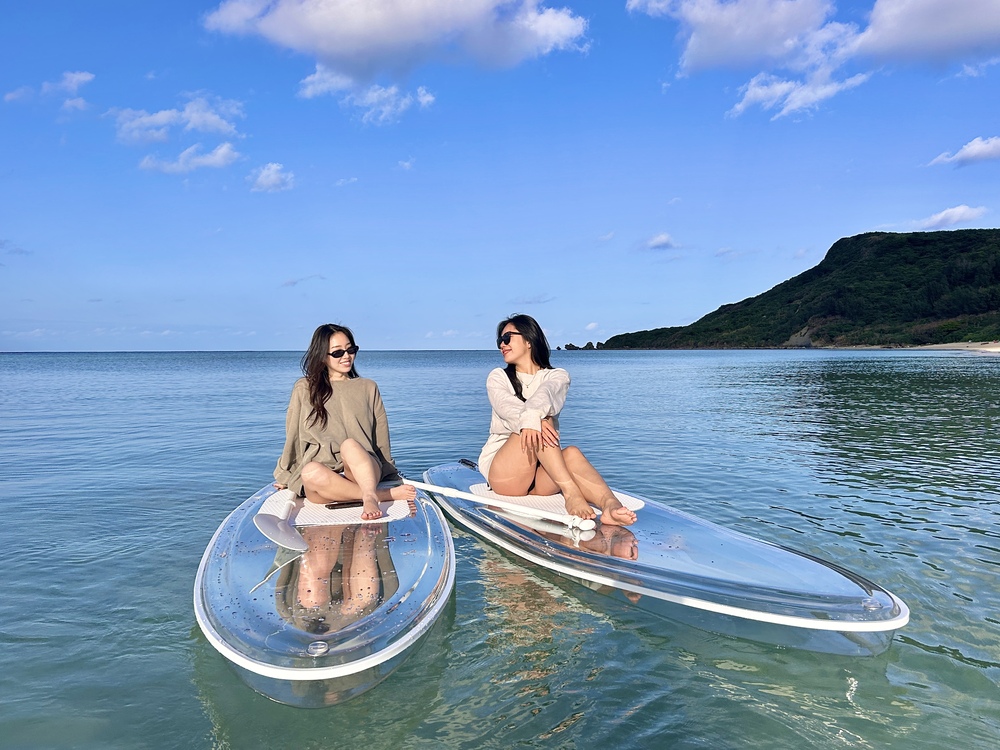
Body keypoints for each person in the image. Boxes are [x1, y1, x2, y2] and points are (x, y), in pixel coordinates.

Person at [478, 314, 637, 525]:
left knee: (571, 453)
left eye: (507, 338)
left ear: (528, 340)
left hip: (544, 475)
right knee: (540, 423)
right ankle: (571, 492)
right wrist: (535, 420)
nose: (502, 345)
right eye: (500, 340)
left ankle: (610, 505)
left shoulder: (558, 376)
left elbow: (546, 394)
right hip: (506, 474)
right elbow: (506, 407)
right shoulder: (498, 377)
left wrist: (536, 417)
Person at [274, 323, 416, 520]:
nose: (346, 356)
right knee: (310, 471)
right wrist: (285, 474)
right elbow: (294, 435)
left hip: (365, 469)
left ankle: (369, 496)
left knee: (350, 445)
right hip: (326, 479)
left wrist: (389, 471)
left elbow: (381, 435)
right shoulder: (304, 388)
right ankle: (379, 495)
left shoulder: (368, 387)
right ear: (322, 355)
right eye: (337, 352)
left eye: (351, 350)